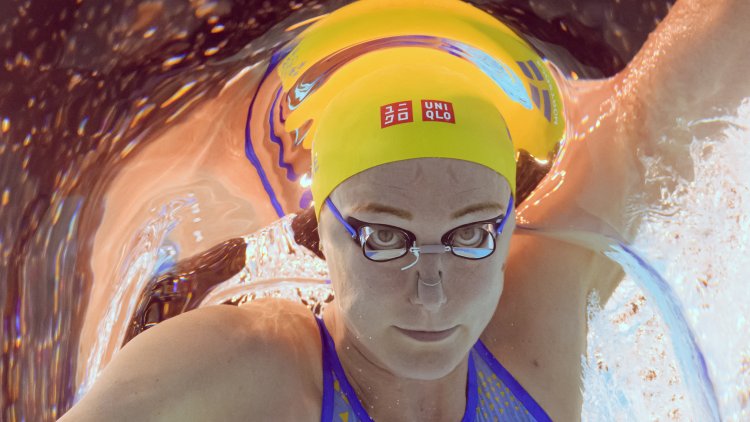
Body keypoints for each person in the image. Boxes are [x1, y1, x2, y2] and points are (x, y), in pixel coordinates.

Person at [58, 0, 749, 420]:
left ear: (508, 226)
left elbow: (661, 117)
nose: (431, 287)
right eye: (386, 236)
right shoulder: (249, 365)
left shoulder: (534, 317)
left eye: (471, 233)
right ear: (321, 237)